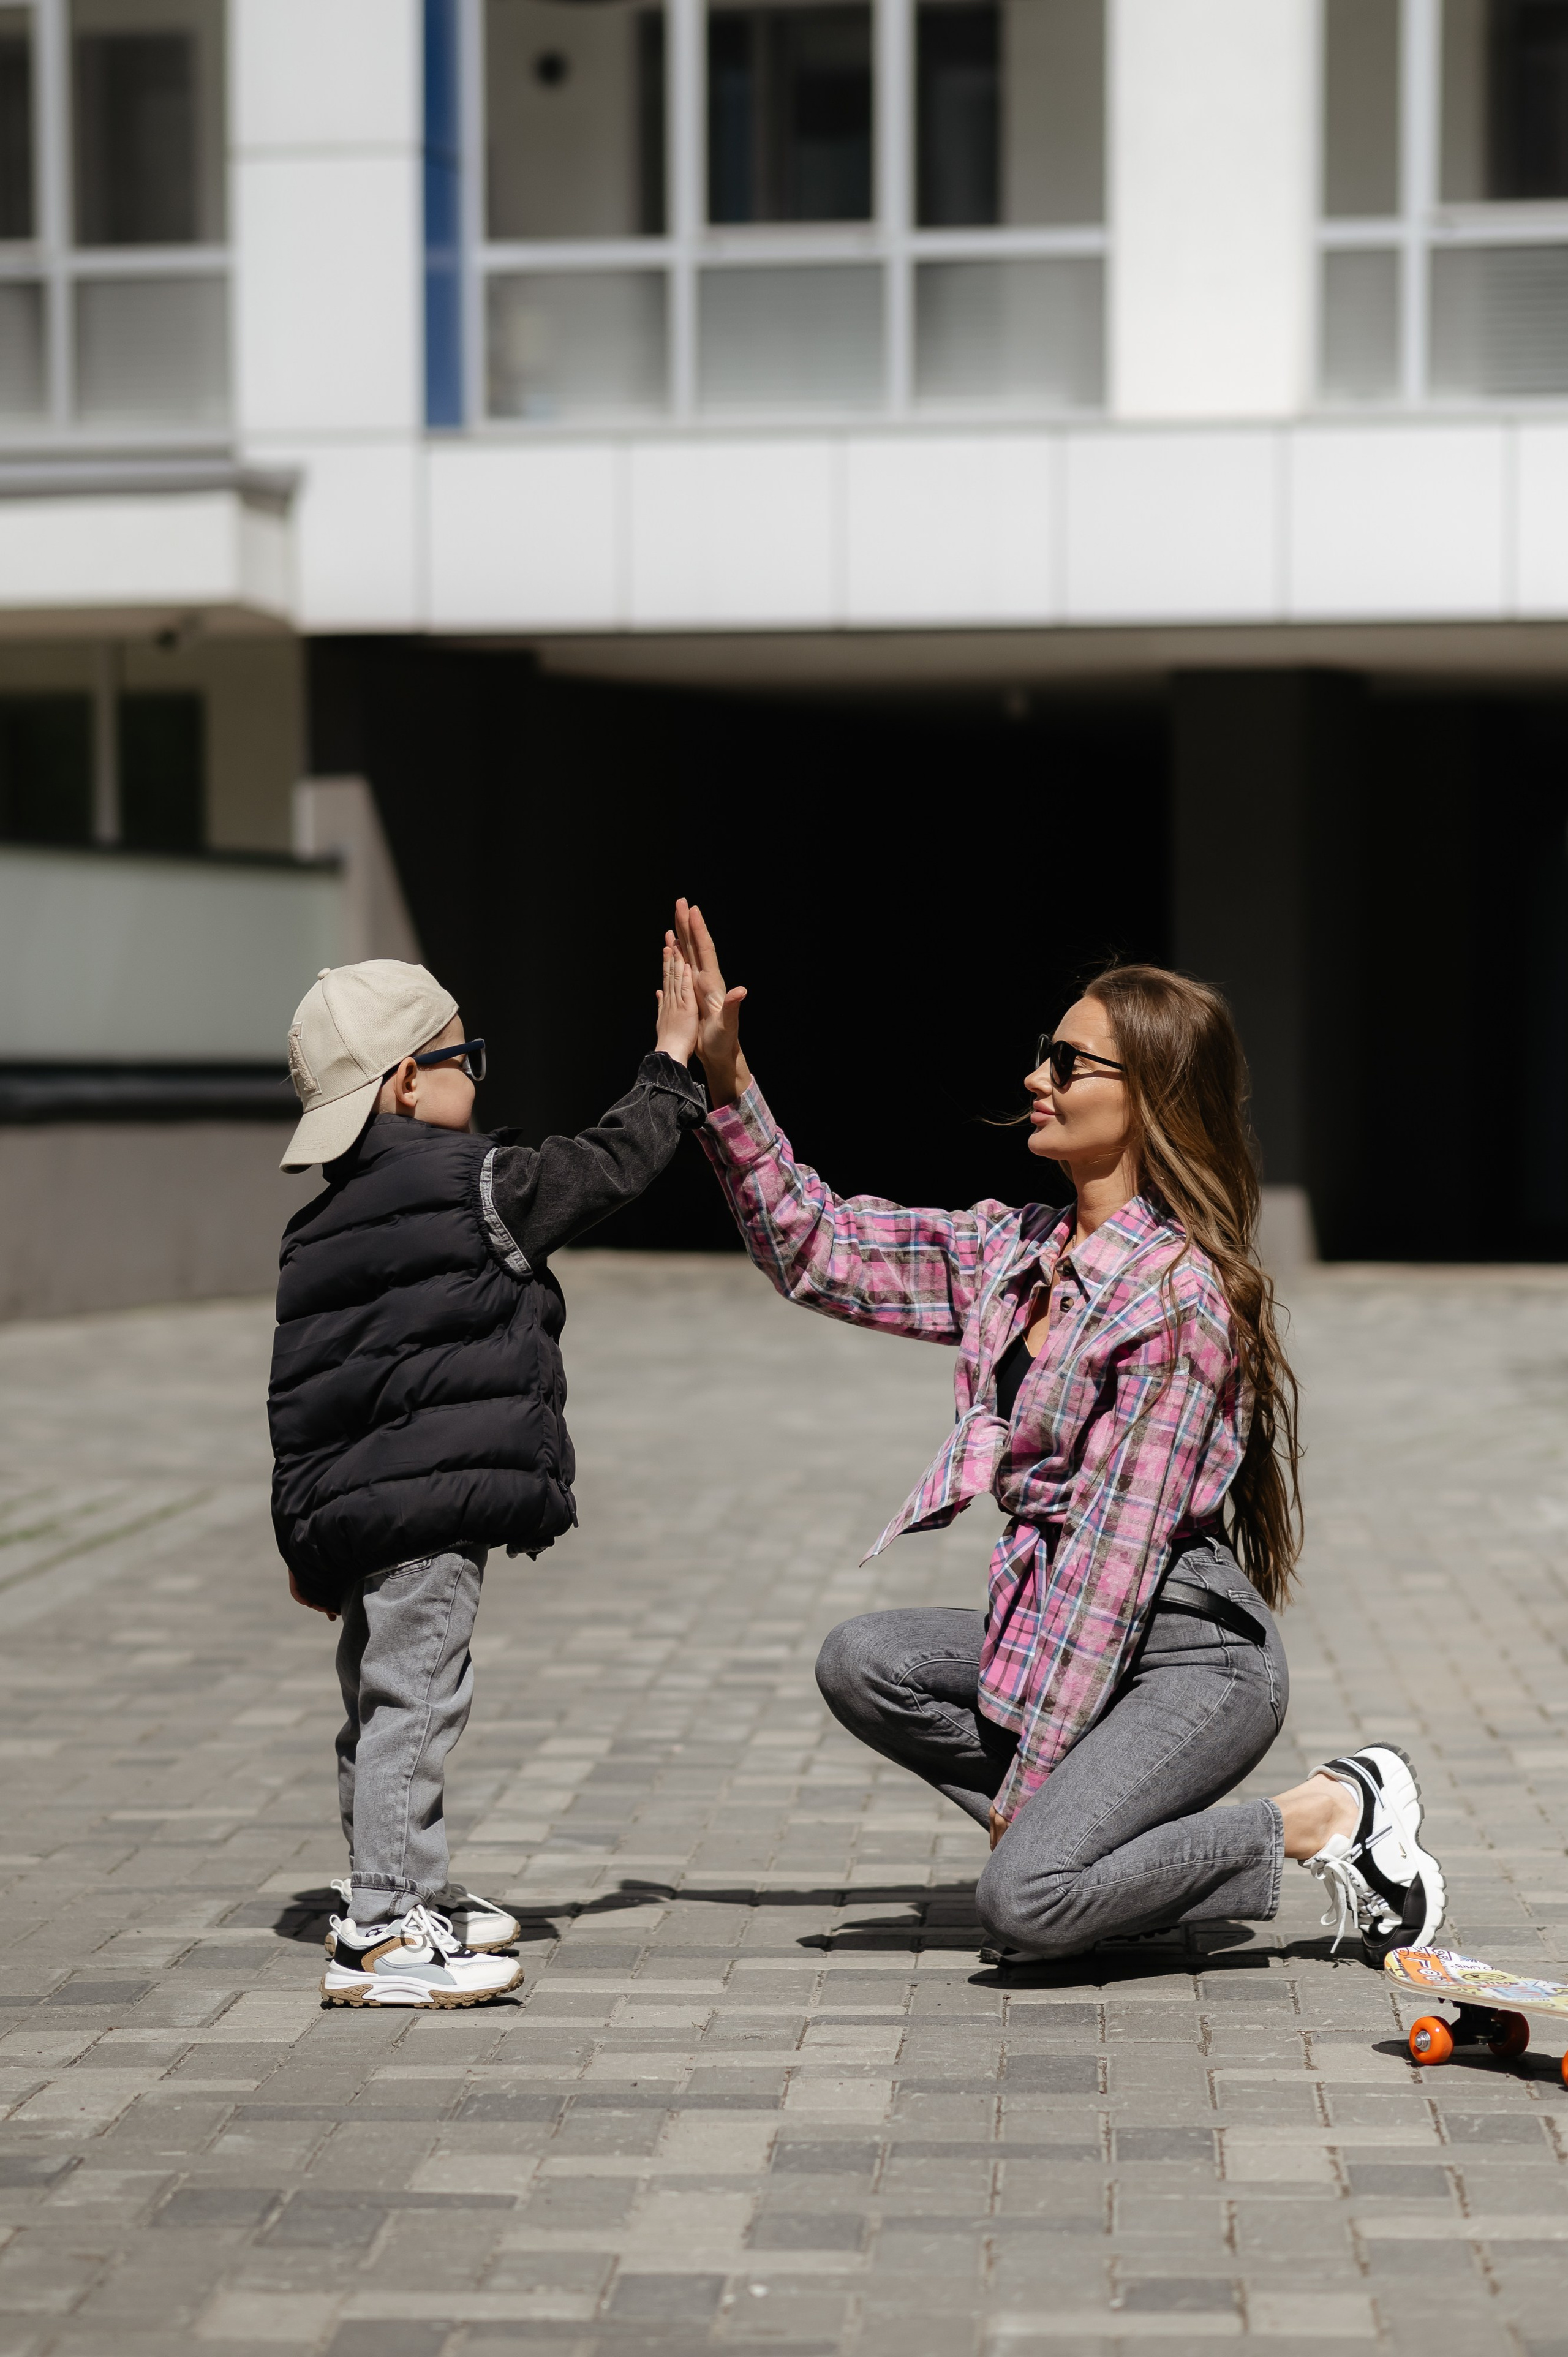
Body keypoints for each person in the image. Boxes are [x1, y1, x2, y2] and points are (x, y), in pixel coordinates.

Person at [674, 901, 1444, 1968]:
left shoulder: (1176, 1302)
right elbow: (822, 1249)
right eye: (1046, 1053)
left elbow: (1113, 1566)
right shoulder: (1015, 1250)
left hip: (1189, 1661)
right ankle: (1098, 1863)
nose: (1038, 1076)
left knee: (1024, 1905)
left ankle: (1320, 1817)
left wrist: (1030, 1789)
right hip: (1062, 1628)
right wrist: (728, 1081)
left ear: (1148, 1101)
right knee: (865, 1661)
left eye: (1070, 1062)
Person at [269, 946, 703, 2006]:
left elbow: (303, 1396)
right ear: (410, 1080)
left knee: (375, 1707)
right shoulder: (482, 1189)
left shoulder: (315, 1230)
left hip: (359, 1519)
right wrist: (672, 1065)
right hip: (432, 1512)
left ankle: (400, 1884)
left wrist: (303, 1538)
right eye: (467, 1055)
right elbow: (609, 1165)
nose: (482, 1075)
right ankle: (382, 1928)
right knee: (418, 1702)